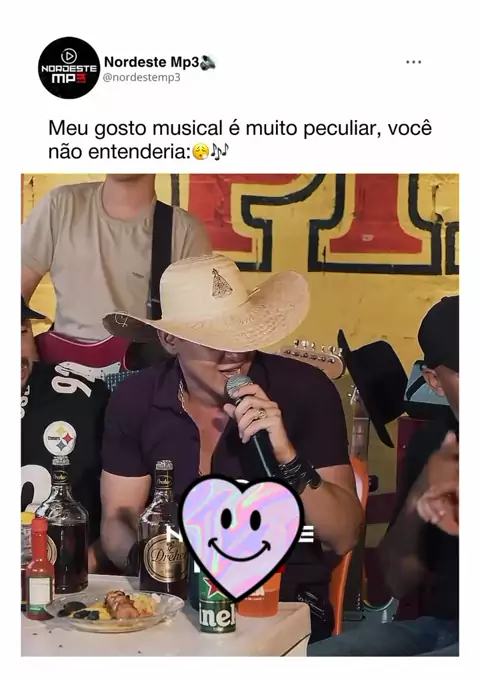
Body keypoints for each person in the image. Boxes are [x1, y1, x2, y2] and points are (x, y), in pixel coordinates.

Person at [100, 253, 363, 642]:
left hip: (281, 604)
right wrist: (160, 567)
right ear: (170, 339)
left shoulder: (305, 391)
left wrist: (286, 457)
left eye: (242, 333)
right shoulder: (136, 398)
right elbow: (117, 520)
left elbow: (343, 535)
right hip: (170, 605)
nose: (235, 354)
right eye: (215, 339)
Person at [308, 294, 459, 656]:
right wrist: (419, 499)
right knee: (317, 658)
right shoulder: (432, 444)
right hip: (443, 627)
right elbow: (393, 583)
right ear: (434, 381)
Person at [21, 174, 212, 344]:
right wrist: (26, 354)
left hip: (141, 369)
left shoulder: (184, 231)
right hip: (61, 369)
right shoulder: (60, 204)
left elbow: (199, 336)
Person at [21, 296, 111, 571]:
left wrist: (79, 569)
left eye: (21, 331)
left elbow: (126, 512)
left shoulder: (81, 398)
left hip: (67, 579)